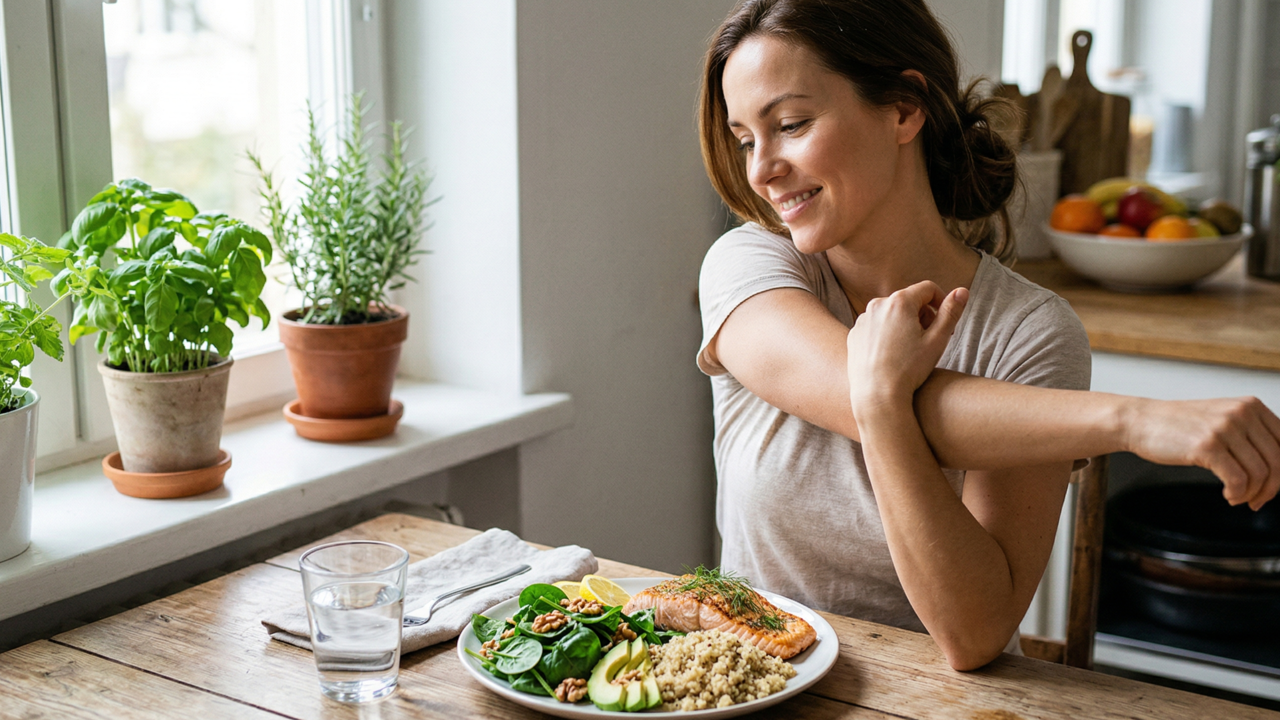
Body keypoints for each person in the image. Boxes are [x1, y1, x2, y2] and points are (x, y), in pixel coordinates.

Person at [695, 0, 1280, 671]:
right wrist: (1129, 419)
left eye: (790, 125)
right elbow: (849, 390)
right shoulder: (749, 265)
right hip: (748, 685)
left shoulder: (1030, 333)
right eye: (746, 139)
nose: (761, 169)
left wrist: (885, 403)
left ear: (903, 109)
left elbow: (972, 636)